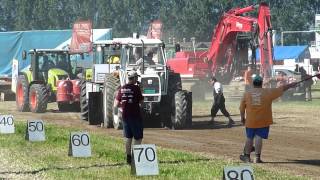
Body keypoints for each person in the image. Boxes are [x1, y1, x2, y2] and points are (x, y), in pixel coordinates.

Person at [239, 75, 297, 163]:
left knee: (249, 137)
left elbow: (241, 108)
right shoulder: (268, 92)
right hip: (264, 120)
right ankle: (257, 158)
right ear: (261, 83)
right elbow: (281, 89)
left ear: (253, 84)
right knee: (259, 137)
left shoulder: (247, 94)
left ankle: (246, 157)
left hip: (250, 120)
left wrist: (242, 118)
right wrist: (291, 85)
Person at [114, 70, 144, 164]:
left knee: (128, 137)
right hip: (135, 116)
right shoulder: (136, 88)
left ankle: (128, 158)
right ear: (134, 78)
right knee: (138, 138)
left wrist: (124, 106)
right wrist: (141, 89)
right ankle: (136, 157)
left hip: (125, 116)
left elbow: (116, 104)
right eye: (137, 78)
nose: (137, 79)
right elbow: (141, 102)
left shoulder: (122, 88)